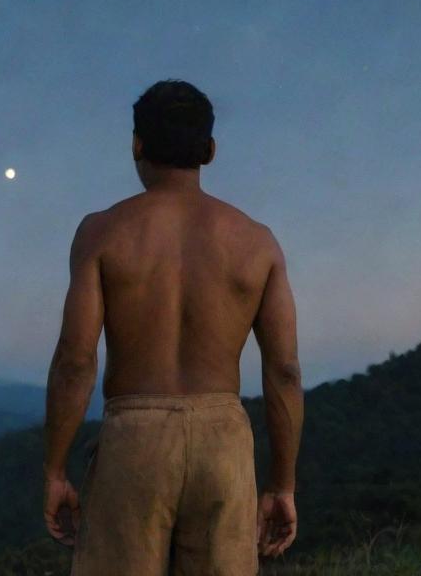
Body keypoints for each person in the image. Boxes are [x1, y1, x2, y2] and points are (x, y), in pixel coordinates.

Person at [42, 79, 303, 574]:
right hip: (223, 446)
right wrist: (282, 485)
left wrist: (55, 471)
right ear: (209, 150)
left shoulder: (101, 232)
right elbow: (285, 370)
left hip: (134, 440)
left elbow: (75, 362)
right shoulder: (258, 243)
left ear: (137, 145)